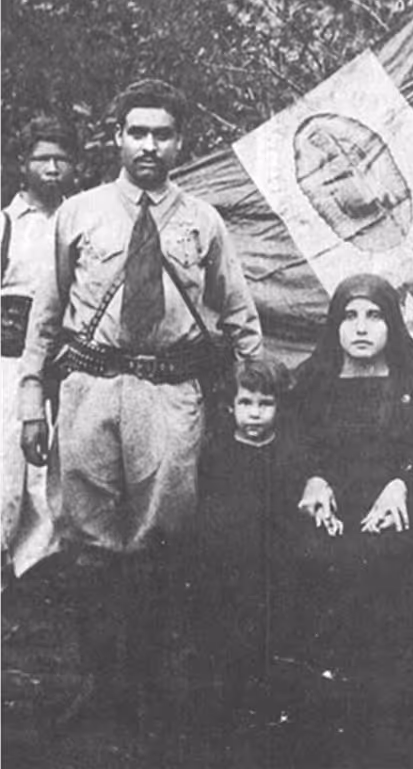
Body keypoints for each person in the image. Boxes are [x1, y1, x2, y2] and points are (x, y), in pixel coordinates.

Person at [18, 79, 263, 732]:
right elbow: (45, 317)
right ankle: (100, 684)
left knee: (162, 539)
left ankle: (151, 688)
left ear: (179, 142)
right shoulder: (80, 214)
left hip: (169, 394)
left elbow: (240, 314)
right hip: (90, 390)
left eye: (162, 134)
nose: (149, 145)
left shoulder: (202, 221)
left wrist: (254, 388)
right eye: (137, 132)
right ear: (117, 138)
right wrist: (32, 400)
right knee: (89, 541)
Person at [289, 273, 413, 731]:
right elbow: (293, 444)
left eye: (374, 316)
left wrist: (403, 482)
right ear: (335, 323)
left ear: (392, 322)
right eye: (350, 316)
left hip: (396, 510)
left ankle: (392, 715)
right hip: (330, 512)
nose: (360, 328)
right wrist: (312, 478)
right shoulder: (312, 380)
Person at [189, 350, 298, 731]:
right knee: (226, 634)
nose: (255, 414)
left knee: (270, 635)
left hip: (272, 564)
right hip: (227, 563)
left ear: (280, 407)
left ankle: (268, 702)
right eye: (246, 403)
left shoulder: (286, 454)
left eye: (265, 404)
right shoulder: (216, 452)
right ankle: (225, 705)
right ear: (230, 406)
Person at [2, 116, 77, 587]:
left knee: (56, 465)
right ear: (23, 164)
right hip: (9, 363)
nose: (52, 168)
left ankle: (43, 571)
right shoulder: (6, 224)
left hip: (66, 363)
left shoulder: (82, 219)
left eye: (61, 160)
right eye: (42, 159)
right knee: (9, 462)